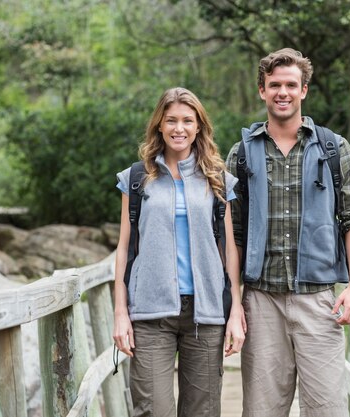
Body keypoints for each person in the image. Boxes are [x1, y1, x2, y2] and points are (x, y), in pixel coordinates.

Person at [225, 48, 350, 417]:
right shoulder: (240, 154)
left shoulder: (333, 148)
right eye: (274, 85)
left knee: (327, 409)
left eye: (291, 84)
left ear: (304, 89)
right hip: (261, 303)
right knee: (261, 411)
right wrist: (234, 302)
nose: (282, 92)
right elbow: (232, 235)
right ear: (262, 90)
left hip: (319, 302)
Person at [113, 87, 246, 417]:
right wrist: (119, 311)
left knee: (203, 412)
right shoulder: (137, 178)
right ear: (159, 124)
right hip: (150, 314)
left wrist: (235, 310)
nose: (179, 128)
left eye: (188, 120)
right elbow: (124, 247)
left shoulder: (217, 180)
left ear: (199, 126)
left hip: (206, 314)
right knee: (152, 410)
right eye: (171, 120)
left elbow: (228, 249)